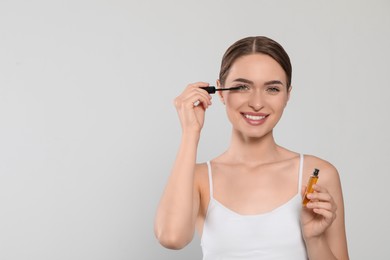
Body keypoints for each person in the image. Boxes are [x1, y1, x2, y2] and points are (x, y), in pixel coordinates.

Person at [154, 36, 349, 260]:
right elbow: (171, 237)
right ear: (220, 91)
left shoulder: (318, 174)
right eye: (242, 87)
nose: (257, 103)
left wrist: (315, 240)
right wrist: (190, 132)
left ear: (288, 95)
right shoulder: (198, 178)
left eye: (272, 89)